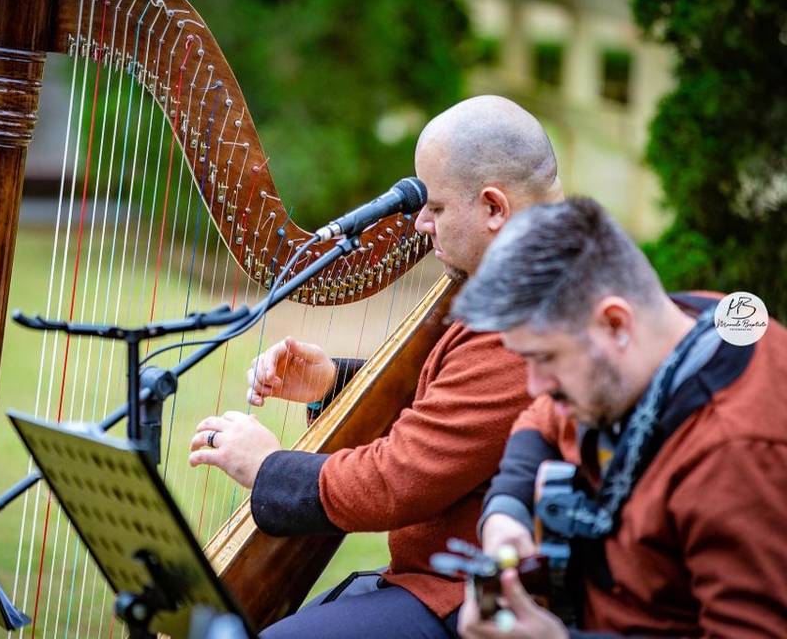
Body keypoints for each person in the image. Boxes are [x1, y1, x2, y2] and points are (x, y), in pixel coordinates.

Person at [188, 95, 564, 637]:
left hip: (476, 597)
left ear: (493, 208)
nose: (419, 224)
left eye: (434, 207)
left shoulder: (530, 312)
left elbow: (398, 480)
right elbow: (463, 410)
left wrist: (269, 467)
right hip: (441, 577)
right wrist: (335, 379)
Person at [452, 197, 787, 638]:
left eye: (545, 358)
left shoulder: (736, 455)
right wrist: (507, 513)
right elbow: (542, 419)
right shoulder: (691, 322)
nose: (535, 386)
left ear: (615, 323)